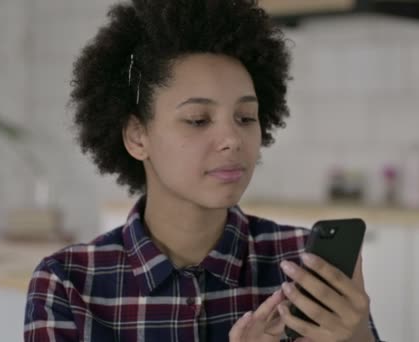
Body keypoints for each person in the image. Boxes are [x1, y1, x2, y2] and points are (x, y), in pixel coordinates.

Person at [24, 1, 383, 341]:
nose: (232, 139)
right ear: (137, 136)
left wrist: (358, 338)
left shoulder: (305, 266)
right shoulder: (68, 283)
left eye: (245, 118)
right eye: (198, 120)